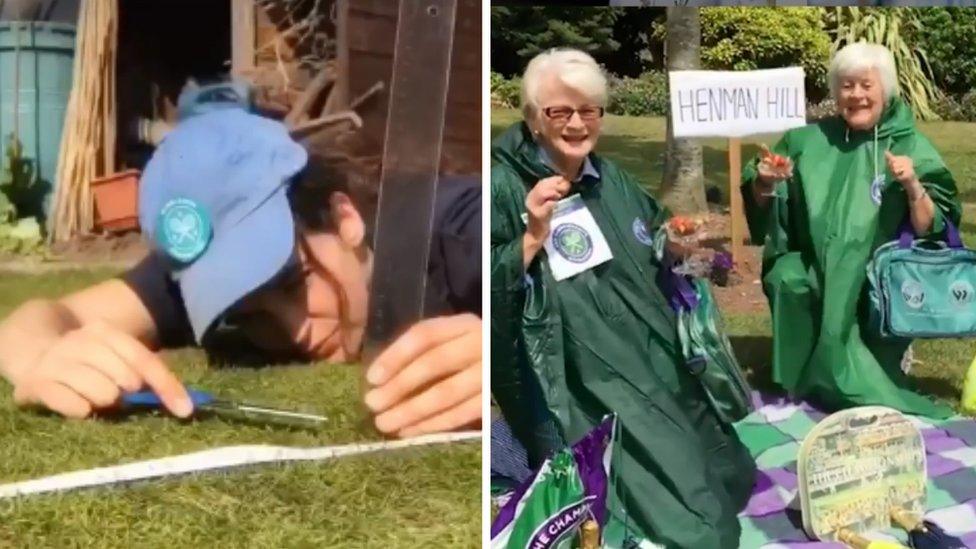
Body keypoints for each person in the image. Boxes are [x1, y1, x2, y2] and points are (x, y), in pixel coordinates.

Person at [0, 88, 481, 439]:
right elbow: (43, 321)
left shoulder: (464, 229)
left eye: (294, 282)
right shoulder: (206, 275)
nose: (295, 332)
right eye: (251, 315)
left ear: (344, 217)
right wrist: (40, 357)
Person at [491, 48, 755, 548]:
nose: (576, 123)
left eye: (588, 110)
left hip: (651, 349)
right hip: (585, 380)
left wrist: (673, 244)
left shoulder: (609, 177)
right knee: (704, 532)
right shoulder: (503, 186)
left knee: (734, 475)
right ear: (532, 119)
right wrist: (530, 237)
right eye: (559, 111)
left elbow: (651, 233)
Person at [742, 42, 962, 418]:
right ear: (835, 92)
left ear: (885, 89)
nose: (856, 95)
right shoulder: (806, 141)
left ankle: (862, 374)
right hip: (816, 265)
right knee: (788, 277)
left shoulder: (910, 144)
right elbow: (763, 200)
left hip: (878, 277)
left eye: (866, 85)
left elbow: (933, 227)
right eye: (846, 86)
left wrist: (912, 185)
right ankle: (801, 376)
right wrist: (764, 181)